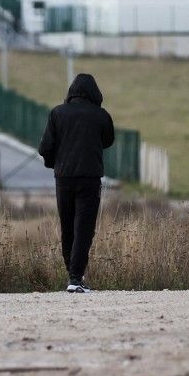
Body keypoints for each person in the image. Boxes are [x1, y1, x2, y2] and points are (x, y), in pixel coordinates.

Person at [38, 73, 114, 293]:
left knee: (68, 227)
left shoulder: (57, 113)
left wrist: (55, 163)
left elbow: (45, 148)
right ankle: (75, 277)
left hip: (63, 178)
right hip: (90, 179)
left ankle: (73, 276)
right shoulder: (101, 115)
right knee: (84, 229)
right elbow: (108, 140)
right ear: (95, 93)